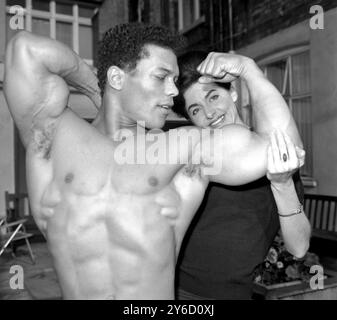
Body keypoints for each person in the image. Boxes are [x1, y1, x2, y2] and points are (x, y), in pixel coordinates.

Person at [4, 22, 306, 300]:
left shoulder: (183, 148)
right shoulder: (53, 134)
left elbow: (284, 146)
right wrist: (98, 89)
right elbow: (25, 49)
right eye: (162, 77)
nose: (174, 91)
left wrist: (249, 70)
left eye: (174, 81)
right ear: (117, 77)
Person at [173, 51, 311, 300]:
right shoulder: (197, 152)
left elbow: (299, 247)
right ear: (190, 120)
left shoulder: (273, 157)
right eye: (196, 110)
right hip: (179, 292)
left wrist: (282, 185)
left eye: (214, 96)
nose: (210, 113)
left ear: (233, 93)